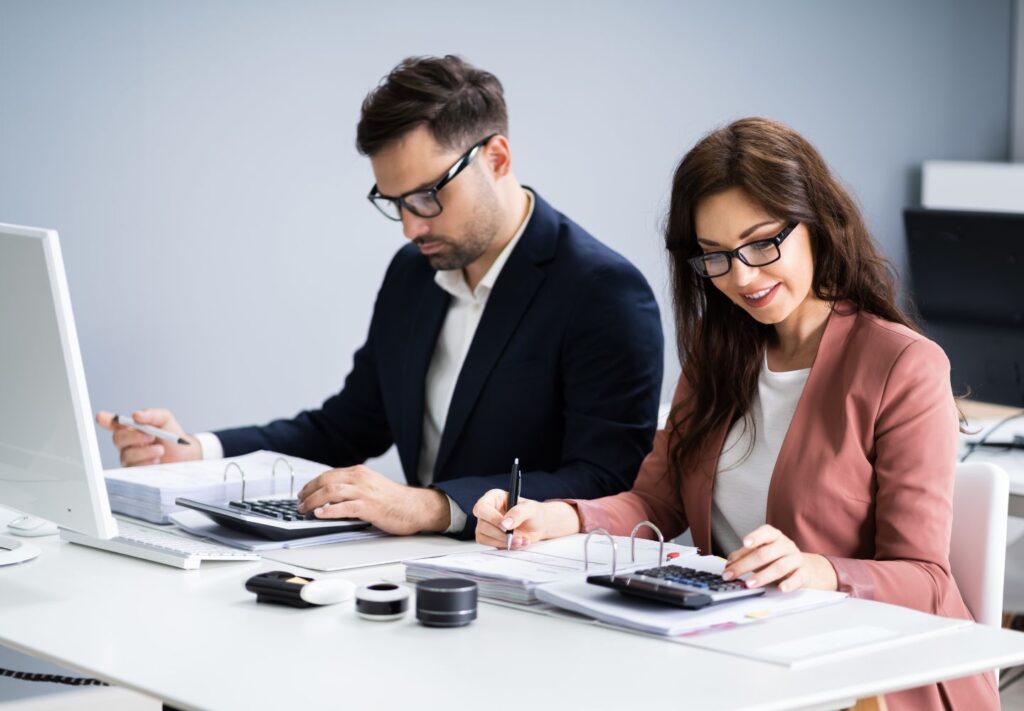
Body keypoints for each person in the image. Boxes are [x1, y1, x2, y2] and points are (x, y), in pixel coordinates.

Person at [472, 117, 997, 709]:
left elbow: (925, 578)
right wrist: (558, 517)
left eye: (761, 243)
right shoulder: (720, 356)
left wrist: (819, 570)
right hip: (748, 661)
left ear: (817, 223)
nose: (742, 277)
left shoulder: (904, 365)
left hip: (866, 679)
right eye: (715, 256)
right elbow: (656, 501)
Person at [97, 55, 663, 540]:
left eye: (426, 197)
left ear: (496, 158)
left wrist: (431, 505)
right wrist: (198, 451)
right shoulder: (414, 273)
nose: (410, 229)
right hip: (412, 572)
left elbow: (605, 479)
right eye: (394, 202)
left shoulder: (602, 291)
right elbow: (347, 426)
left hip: (533, 586)